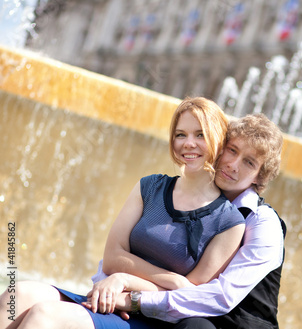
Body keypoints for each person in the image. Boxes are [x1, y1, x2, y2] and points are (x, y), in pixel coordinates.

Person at [0, 96, 246, 329]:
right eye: (180, 134)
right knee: (17, 294)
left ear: (217, 139)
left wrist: (125, 281)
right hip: (108, 297)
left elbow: (191, 295)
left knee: (45, 314)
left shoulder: (229, 222)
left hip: (152, 319)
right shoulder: (150, 187)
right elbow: (112, 257)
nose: (188, 143)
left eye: (200, 135)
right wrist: (170, 279)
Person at [98, 113, 286, 329]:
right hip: (183, 317)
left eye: (249, 162)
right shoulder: (188, 197)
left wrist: (134, 300)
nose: (233, 165)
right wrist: (115, 284)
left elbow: (221, 296)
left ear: (258, 177)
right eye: (232, 150)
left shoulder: (264, 223)